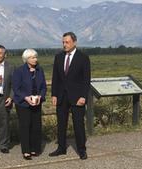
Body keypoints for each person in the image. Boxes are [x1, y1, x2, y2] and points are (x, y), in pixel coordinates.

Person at [49, 32, 91, 160]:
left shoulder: (83, 58)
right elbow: (55, 78)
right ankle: (61, 148)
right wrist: (54, 94)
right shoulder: (59, 57)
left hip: (77, 97)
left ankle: (81, 150)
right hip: (61, 96)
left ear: (74, 42)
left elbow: (86, 80)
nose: (64, 45)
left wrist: (83, 96)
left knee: (78, 124)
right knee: (61, 124)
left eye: (67, 42)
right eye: (63, 42)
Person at [12, 49, 47, 160]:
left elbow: (44, 87)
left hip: (37, 102)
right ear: (26, 59)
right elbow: (16, 89)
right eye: (32, 57)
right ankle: (26, 151)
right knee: (25, 126)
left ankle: (35, 149)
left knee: (36, 126)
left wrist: (40, 96)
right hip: (23, 104)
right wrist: (26, 98)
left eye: (36, 57)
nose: (35, 59)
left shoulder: (40, 70)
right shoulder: (19, 71)